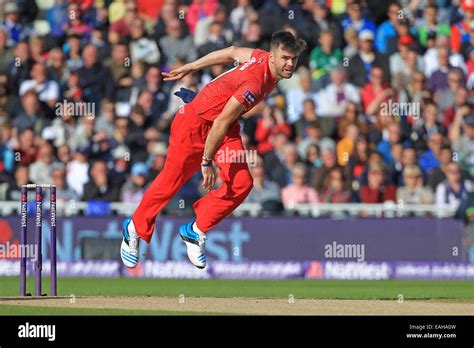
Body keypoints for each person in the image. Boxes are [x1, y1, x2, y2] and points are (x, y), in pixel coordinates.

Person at [120, 31, 307, 269]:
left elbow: (230, 52)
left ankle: (195, 230)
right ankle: (134, 227)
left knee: (241, 184)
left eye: (293, 59)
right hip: (196, 124)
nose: (290, 64)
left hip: (225, 129)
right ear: (272, 56)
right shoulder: (256, 83)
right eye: (285, 58)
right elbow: (219, 120)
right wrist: (206, 162)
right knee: (171, 181)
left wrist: (193, 66)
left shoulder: (261, 57)